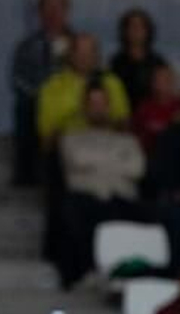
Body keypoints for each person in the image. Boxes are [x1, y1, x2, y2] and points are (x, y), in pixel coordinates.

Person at [55, 83, 146, 288]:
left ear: (109, 106)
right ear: (84, 107)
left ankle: (126, 274)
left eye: (101, 102)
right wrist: (116, 160)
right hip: (85, 200)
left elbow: (137, 169)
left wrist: (95, 163)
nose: (97, 108)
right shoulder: (71, 139)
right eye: (92, 103)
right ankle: (84, 273)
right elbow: (76, 160)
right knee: (74, 210)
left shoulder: (128, 140)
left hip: (122, 201)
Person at [9, 0, 73, 184]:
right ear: (40, 12)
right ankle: (26, 173)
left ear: (66, 11)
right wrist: (42, 97)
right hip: (36, 103)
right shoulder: (26, 46)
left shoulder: (79, 43)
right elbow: (17, 79)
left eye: (58, 8)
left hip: (69, 103)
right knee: (25, 108)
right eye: (48, 8)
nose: (53, 14)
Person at [36, 33, 129, 155]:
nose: (84, 58)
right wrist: (79, 115)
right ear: (70, 55)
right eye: (80, 52)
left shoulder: (112, 83)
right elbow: (46, 141)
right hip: (66, 153)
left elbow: (125, 126)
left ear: (97, 56)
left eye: (90, 52)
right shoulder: (52, 88)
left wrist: (103, 121)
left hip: (108, 149)